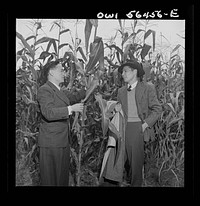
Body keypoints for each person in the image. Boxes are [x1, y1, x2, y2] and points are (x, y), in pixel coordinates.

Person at [37, 60, 85, 186]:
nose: (65, 73)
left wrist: (90, 83)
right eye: (61, 70)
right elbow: (48, 113)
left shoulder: (60, 91)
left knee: (61, 179)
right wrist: (71, 109)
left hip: (63, 142)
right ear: (51, 73)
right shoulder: (45, 90)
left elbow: (75, 97)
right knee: (51, 180)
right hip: (51, 144)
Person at [116, 60, 162, 187]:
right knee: (117, 162)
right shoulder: (121, 91)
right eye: (122, 72)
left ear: (135, 71)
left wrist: (145, 125)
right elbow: (118, 109)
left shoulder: (147, 88)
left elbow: (157, 109)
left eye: (125, 71)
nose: (123, 74)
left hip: (137, 128)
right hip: (122, 128)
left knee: (136, 165)